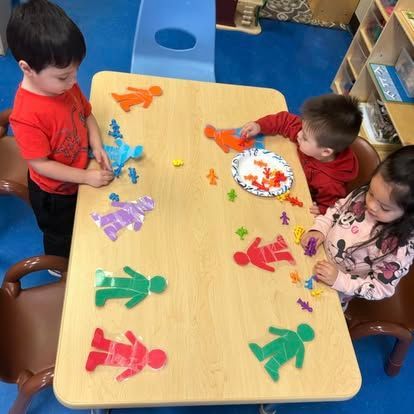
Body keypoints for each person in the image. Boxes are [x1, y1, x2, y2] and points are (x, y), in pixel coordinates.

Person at [7, 0, 113, 258]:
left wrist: (97, 144)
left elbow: (86, 113)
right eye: (65, 76)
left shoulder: (64, 85)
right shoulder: (27, 116)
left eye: (76, 72)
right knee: (60, 235)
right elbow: (41, 165)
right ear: (27, 69)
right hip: (54, 195)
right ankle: (59, 266)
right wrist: (86, 177)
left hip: (79, 175)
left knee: (82, 220)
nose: (74, 81)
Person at [300, 146, 414, 308]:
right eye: (372, 193)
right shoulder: (366, 193)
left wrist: (339, 280)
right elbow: (338, 209)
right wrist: (320, 229)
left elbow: (381, 288)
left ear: (409, 214)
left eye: (385, 208)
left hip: (333, 290)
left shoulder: (397, 250)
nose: (371, 205)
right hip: (316, 254)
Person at [241, 94, 362, 215]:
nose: (298, 134)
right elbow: (285, 121)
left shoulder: (330, 183)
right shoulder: (312, 134)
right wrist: (260, 126)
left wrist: (322, 209)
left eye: (304, 137)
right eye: (302, 129)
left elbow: (333, 206)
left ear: (325, 152)